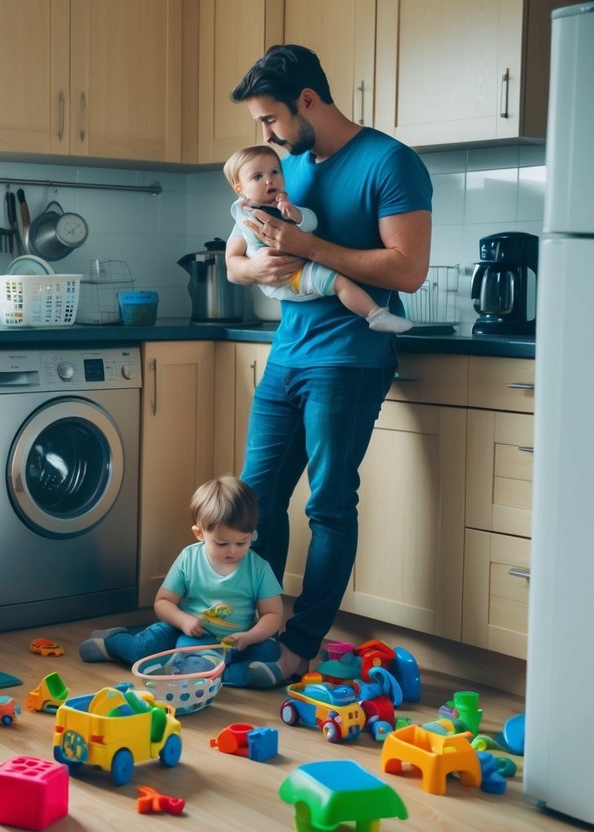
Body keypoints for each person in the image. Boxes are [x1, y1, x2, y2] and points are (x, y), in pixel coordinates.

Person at [225, 44, 433, 686]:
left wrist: (309, 245)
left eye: (271, 118)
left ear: (307, 101)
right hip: (287, 354)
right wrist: (255, 267)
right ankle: (255, 631)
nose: (266, 134)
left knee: (329, 505)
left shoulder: (390, 162)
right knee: (255, 503)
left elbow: (409, 269)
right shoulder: (281, 170)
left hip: (349, 358)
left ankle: (299, 647)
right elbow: (236, 259)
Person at [78, 476, 286, 689]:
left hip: (236, 642)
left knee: (270, 650)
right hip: (188, 634)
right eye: (222, 543)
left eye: (242, 542)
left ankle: (212, 671)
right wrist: (184, 621)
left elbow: (273, 614)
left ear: (252, 534)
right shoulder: (189, 559)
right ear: (199, 533)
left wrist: (250, 636)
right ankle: (113, 643)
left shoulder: (259, 568)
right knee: (143, 648)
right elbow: (163, 602)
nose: (232, 551)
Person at [224, 144, 413, 334]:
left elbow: (310, 223)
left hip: (305, 283)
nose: (269, 180)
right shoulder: (243, 215)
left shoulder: (285, 205)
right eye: (257, 177)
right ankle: (375, 315)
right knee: (339, 282)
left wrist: (295, 214)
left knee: (339, 282)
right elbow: (232, 267)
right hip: (290, 278)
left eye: (274, 172)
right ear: (240, 188)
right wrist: (256, 266)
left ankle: (376, 315)